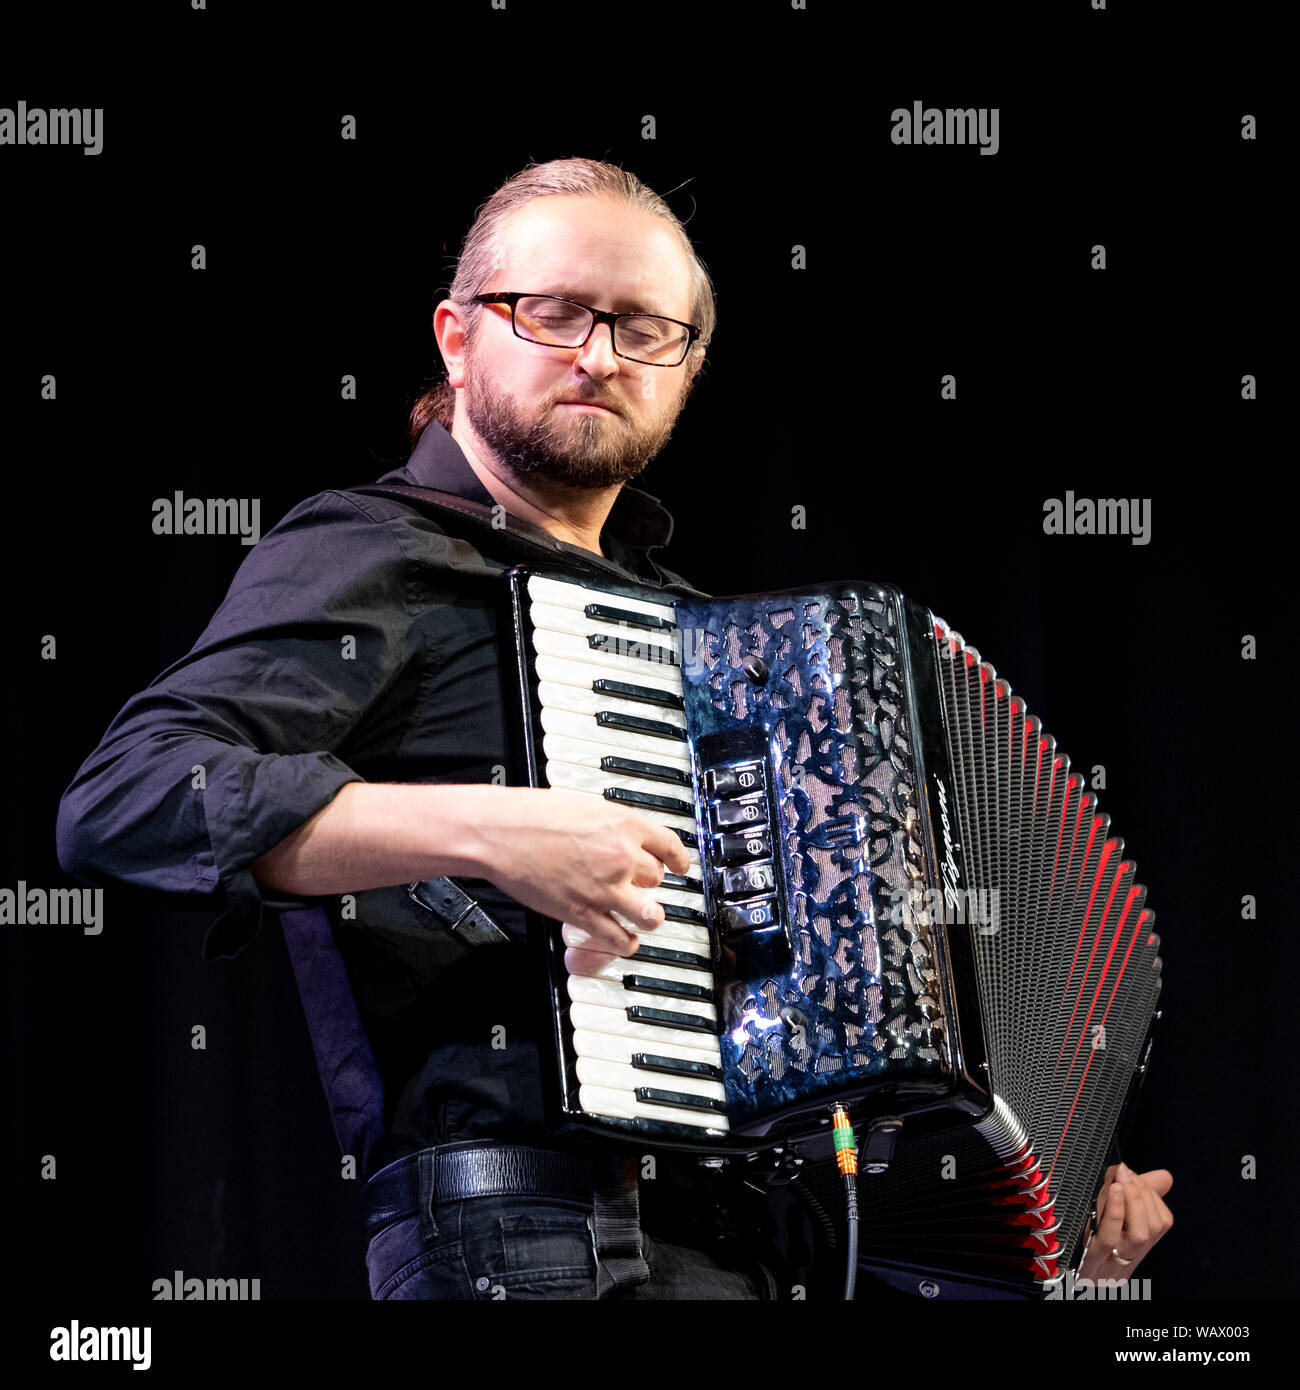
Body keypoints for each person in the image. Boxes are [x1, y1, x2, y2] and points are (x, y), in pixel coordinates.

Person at [55, 157, 1171, 1301]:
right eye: (551, 312)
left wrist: (1053, 1211)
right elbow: (128, 799)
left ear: (686, 368)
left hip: (744, 1252)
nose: (596, 355)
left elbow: (829, 1041)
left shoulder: (709, 646)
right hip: (525, 1241)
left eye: (644, 329)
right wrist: (492, 829)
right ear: (456, 336)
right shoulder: (375, 550)